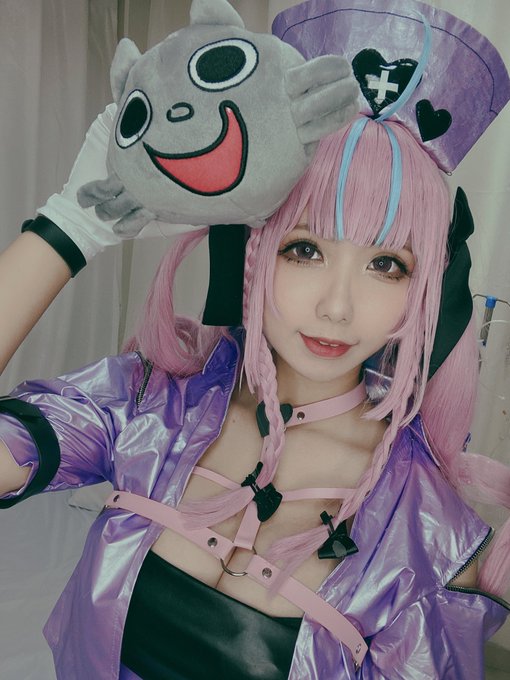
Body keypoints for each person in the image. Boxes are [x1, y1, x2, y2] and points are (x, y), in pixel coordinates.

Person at [1, 2, 510, 680]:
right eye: (304, 250)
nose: (337, 307)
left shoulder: (427, 533)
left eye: (388, 264)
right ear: (252, 248)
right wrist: (69, 228)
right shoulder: (149, 406)